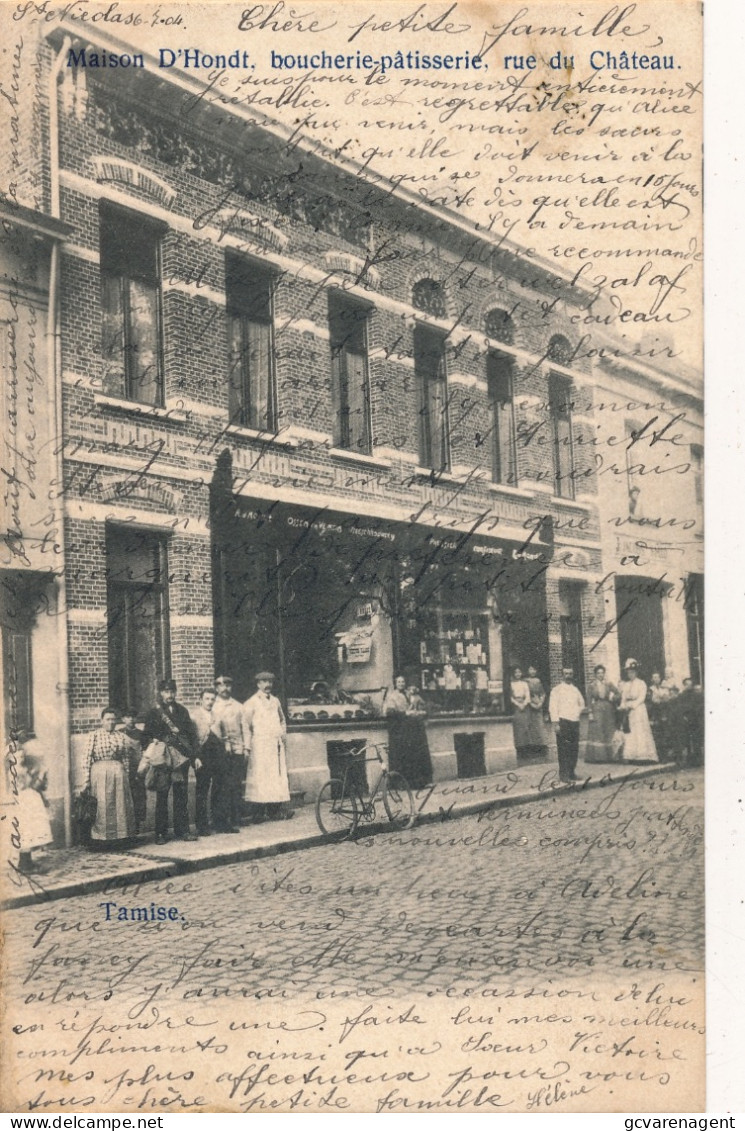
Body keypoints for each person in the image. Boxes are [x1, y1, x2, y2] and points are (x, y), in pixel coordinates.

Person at [142, 679, 198, 844]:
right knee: (162, 796)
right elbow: (145, 737)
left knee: (181, 796)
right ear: (161, 693)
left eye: (172, 691)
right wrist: (155, 743)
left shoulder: (182, 711)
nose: (170, 695)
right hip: (164, 760)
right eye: (166, 692)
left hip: (180, 760)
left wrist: (192, 756)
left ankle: (183, 831)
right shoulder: (154, 713)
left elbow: (191, 735)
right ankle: (161, 833)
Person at [243, 671, 293, 821]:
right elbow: (246, 725)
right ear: (258, 684)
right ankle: (257, 813)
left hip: (275, 745)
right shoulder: (251, 702)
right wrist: (248, 746)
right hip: (260, 746)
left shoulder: (276, 701)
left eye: (270, 682)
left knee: (275, 777)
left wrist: (282, 735)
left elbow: (282, 720)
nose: (267, 685)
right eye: (264, 682)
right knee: (260, 778)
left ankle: (274, 811)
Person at [84, 707, 136, 846]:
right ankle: (101, 840)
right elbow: (87, 759)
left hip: (119, 774)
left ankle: (120, 838)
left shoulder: (120, 736)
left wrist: (127, 775)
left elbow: (125, 758)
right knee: (102, 806)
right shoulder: (94, 735)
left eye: (113, 719)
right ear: (102, 721)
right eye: (107, 719)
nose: (111, 722)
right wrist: (86, 781)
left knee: (119, 805)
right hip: (99, 774)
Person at [11, 733, 53, 873]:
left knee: (29, 830)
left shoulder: (22, 764)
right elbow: (31, 785)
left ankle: (26, 862)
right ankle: (25, 865)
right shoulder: (19, 767)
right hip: (26, 798)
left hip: (28, 798)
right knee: (27, 829)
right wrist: (40, 775)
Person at [212, 674, 247, 832]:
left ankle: (236, 816)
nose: (225, 688)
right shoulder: (214, 706)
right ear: (216, 688)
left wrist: (246, 747)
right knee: (222, 785)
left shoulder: (239, 706)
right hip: (221, 751)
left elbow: (245, 727)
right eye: (221, 685)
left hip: (238, 748)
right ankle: (220, 818)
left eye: (228, 685)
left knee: (236, 784)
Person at [190, 688, 224, 836]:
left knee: (218, 788)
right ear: (201, 700)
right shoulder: (194, 717)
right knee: (202, 791)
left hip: (217, 756)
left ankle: (218, 821)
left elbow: (222, 736)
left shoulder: (217, 716)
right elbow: (192, 740)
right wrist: (195, 757)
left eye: (212, 699)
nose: (210, 702)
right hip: (202, 757)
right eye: (207, 699)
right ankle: (202, 825)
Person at [548, 667, 586, 783]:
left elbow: (582, 704)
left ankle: (571, 772)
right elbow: (552, 707)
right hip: (563, 721)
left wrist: (576, 712)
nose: (568, 675)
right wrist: (556, 724)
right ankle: (564, 775)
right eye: (566, 673)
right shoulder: (556, 690)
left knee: (574, 748)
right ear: (562, 675)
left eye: (570, 673)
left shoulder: (575, 689)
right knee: (564, 749)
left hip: (574, 722)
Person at [619, 659, 658, 763]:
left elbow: (642, 698)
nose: (630, 674)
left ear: (636, 673)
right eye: (629, 672)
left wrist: (632, 705)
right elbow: (623, 698)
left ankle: (643, 756)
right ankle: (631, 756)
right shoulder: (626, 685)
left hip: (638, 710)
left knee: (640, 731)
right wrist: (623, 705)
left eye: (632, 672)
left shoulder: (641, 683)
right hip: (629, 712)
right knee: (630, 731)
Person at [118, 707, 146, 834]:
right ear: (123, 719)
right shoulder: (118, 733)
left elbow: (146, 753)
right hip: (124, 770)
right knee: (124, 799)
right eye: (127, 717)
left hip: (138, 770)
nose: (130, 719)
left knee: (138, 798)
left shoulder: (141, 734)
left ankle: (137, 829)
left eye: (132, 717)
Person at [585, 664, 621, 763]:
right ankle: (599, 757)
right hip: (597, 708)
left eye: (602, 673)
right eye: (598, 673)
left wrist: (612, 698)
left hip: (608, 709)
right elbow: (588, 700)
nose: (600, 675)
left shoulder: (609, 684)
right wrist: (590, 712)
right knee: (598, 730)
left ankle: (611, 756)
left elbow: (618, 693)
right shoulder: (592, 686)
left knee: (608, 730)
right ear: (595, 674)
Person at [402, 684, 434, 789]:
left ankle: (424, 781)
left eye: (413, 689)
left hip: (418, 728)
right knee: (411, 756)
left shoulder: (418, 698)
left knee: (421, 754)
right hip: (408, 730)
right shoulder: (404, 698)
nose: (411, 691)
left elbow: (423, 710)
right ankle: (413, 782)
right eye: (409, 689)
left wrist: (419, 712)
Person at [526, 664, 550, 760]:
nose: (532, 671)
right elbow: (525, 694)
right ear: (528, 671)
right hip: (530, 706)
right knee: (531, 727)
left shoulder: (538, 681)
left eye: (534, 669)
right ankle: (532, 749)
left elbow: (543, 693)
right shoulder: (525, 682)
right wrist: (531, 703)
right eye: (530, 669)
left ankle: (540, 748)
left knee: (539, 727)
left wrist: (540, 702)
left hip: (538, 705)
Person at [510, 666, 532, 761]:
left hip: (525, 706)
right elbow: (510, 697)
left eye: (519, 672)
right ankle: (519, 750)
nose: (518, 674)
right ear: (513, 674)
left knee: (526, 728)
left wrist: (524, 703)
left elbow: (528, 695)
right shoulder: (511, 684)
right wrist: (518, 704)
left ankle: (526, 751)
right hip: (516, 706)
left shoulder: (524, 683)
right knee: (518, 728)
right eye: (516, 672)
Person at [647, 672, 672, 758]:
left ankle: (666, 755)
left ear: (660, 679)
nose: (656, 679)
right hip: (655, 714)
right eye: (654, 677)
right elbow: (652, 701)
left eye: (657, 677)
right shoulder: (650, 689)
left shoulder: (664, 688)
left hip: (664, 713)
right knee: (657, 734)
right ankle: (660, 755)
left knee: (666, 733)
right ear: (652, 679)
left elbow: (667, 699)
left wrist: (661, 699)